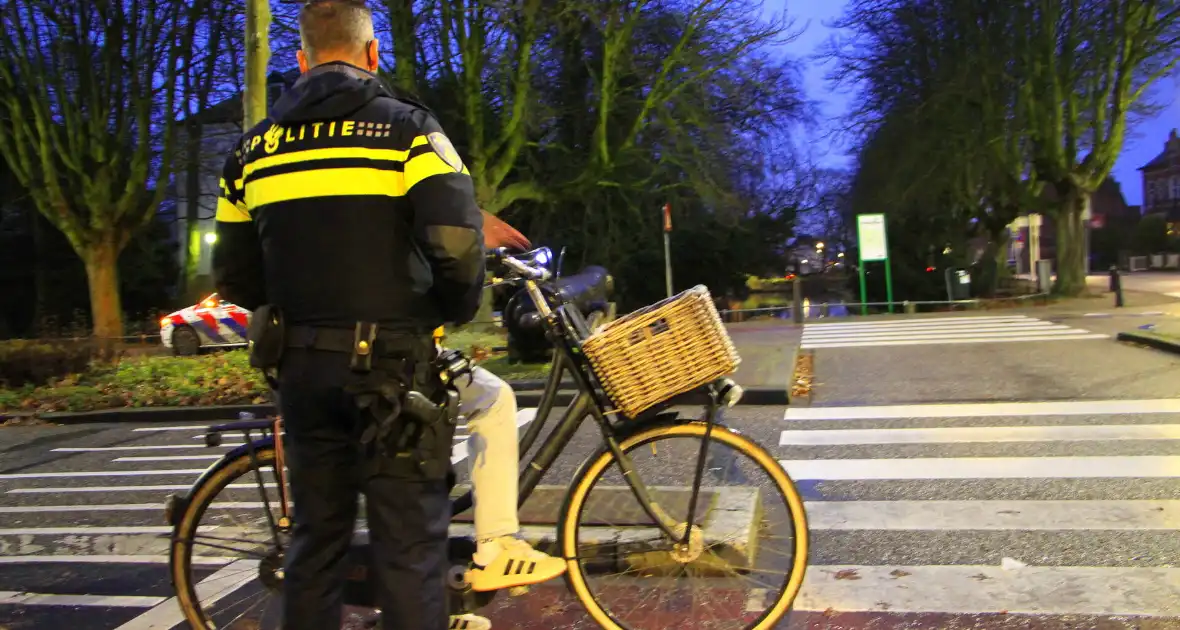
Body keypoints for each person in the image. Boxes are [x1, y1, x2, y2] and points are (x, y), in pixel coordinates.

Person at [211, 2, 563, 629]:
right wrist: (444, 312)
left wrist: (295, 313)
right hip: (396, 375)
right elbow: (456, 245)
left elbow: (234, 275)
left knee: (316, 544)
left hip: (301, 371)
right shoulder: (409, 132)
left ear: (301, 59)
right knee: (407, 550)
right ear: (372, 54)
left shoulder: (248, 154)